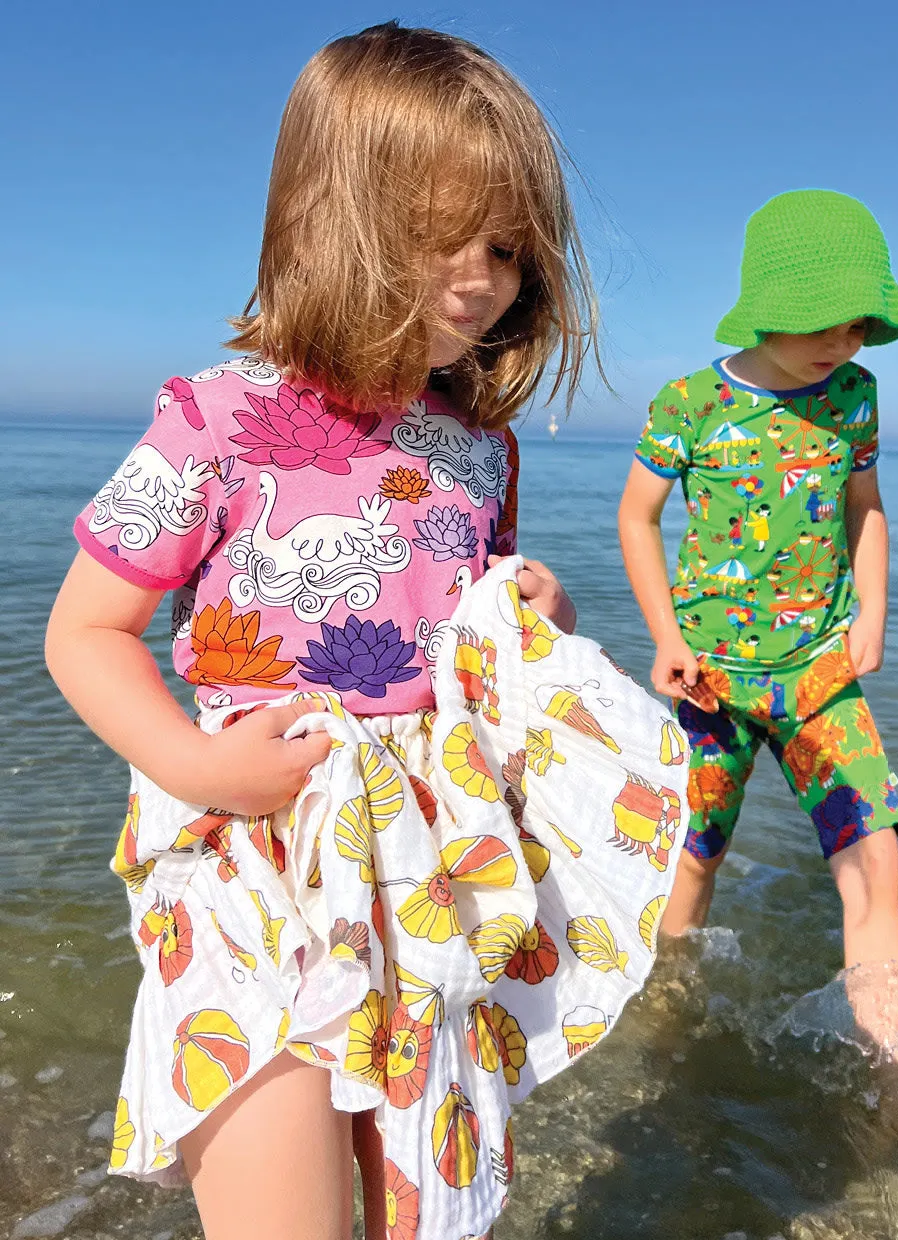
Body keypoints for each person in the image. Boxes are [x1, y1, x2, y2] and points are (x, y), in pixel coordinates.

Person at [45, 24, 688, 1240]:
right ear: (334, 217)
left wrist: (528, 618)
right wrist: (198, 768)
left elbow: (457, 623)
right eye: (442, 234)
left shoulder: (476, 448)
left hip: (423, 863)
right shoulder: (216, 420)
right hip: (253, 846)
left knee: (422, 1195)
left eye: (506, 245)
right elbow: (84, 630)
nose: (483, 274)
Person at [617, 189, 898, 1156]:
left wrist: (872, 610)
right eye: (821, 323)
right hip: (712, 679)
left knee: (874, 858)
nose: (840, 342)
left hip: (820, 671)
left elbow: (865, 509)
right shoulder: (690, 404)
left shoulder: (854, 397)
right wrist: (665, 638)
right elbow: (637, 519)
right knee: (694, 858)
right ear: (766, 302)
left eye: (857, 323)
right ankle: (669, 1029)